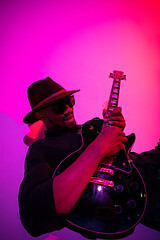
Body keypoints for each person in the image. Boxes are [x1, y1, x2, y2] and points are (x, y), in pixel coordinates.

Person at [18, 77, 160, 238]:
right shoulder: (42, 149)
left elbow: (120, 159)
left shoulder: (93, 127)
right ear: (41, 116)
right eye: (58, 107)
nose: (67, 109)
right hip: (150, 197)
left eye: (69, 101)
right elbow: (32, 217)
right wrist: (99, 146)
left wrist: (117, 132)